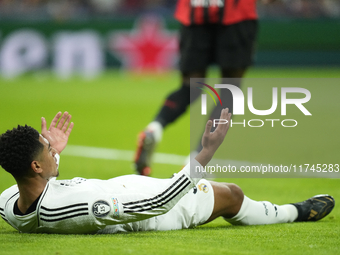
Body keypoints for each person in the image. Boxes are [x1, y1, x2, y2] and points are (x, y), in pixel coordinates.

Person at [0, 110, 335, 234]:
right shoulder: (84, 207)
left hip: (124, 188)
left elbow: (41, 196)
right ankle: (297, 212)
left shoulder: (10, 200)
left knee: (188, 179)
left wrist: (53, 157)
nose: (52, 146)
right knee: (231, 195)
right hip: (154, 215)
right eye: (47, 148)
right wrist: (208, 153)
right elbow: (158, 202)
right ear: (35, 166)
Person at [134, 0, 276, 175]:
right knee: (230, 91)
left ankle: (155, 128)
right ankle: (197, 160)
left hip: (194, 13)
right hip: (235, 15)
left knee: (190, 87)